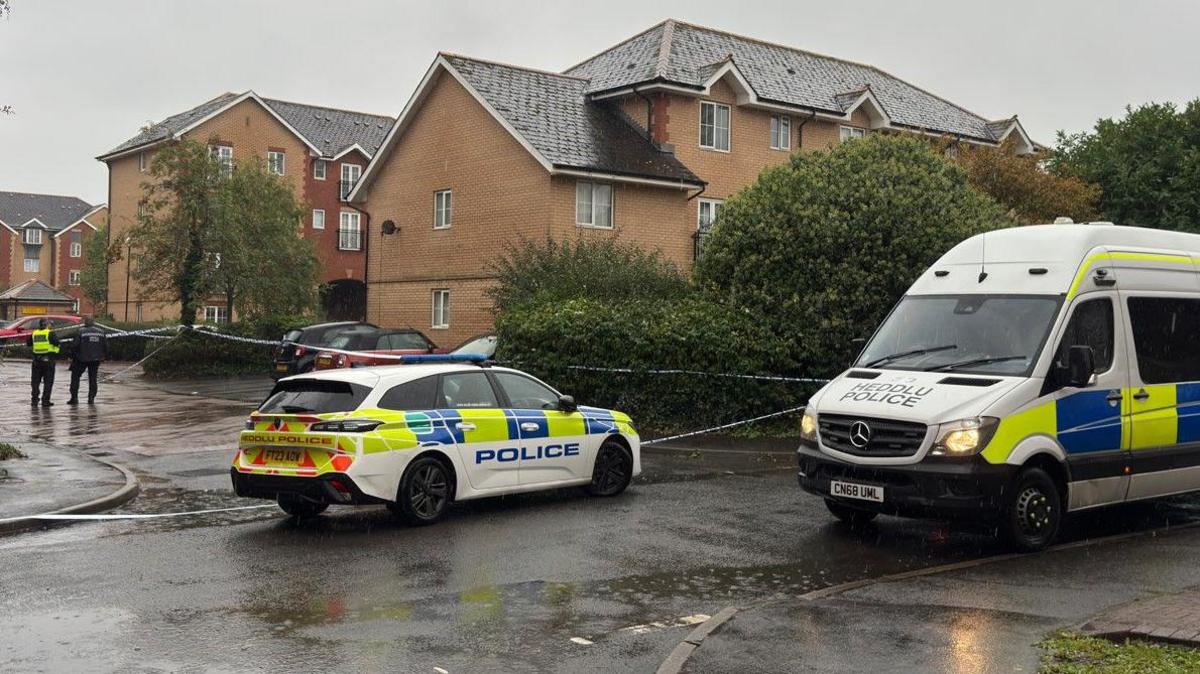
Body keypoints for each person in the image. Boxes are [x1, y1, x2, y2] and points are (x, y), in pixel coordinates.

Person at [69, 316, 106, 405]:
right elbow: (105, 346)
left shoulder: (80, 331)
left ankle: (74, 398)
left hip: (81, 359)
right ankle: (91, 398)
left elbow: (75, 345)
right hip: (95, 359)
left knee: (75, 377)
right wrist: (102, 356)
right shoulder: (101, 332)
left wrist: (72, 356)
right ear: (93, 322)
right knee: (93, 379)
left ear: (85, 323)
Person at [26, 318, 61, 407]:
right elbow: (57, 343)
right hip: (48, 360)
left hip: (36, 361)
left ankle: (34, 400)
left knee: (35, 381)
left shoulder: (34, 333)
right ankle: (45, 401)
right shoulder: (50, 333)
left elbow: (29, 344)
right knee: (48, 381)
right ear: (46, 324)